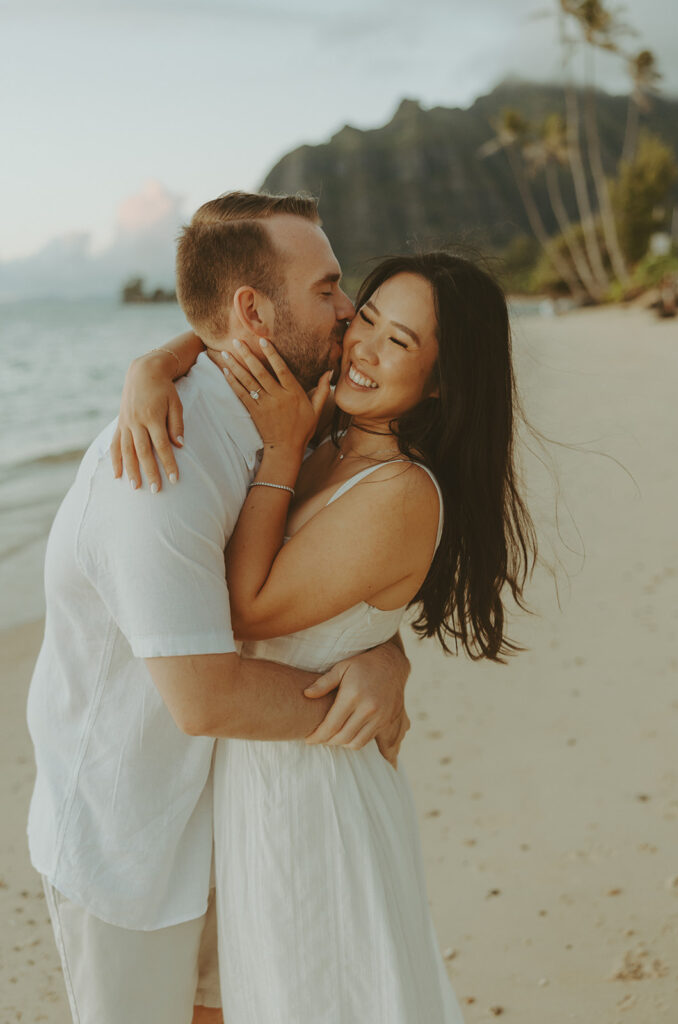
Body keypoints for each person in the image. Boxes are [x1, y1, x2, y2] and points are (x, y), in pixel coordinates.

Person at [114, 243, 539, 1021]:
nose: (364, 349)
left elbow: (246, 607)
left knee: (310, 994)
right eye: (366, 319)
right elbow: (223, 333)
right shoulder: (328, 433)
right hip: (251, 777)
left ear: (442, 380)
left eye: (400, 342)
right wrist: (150, 368)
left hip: (312, 800)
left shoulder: (400, 490)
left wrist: (278, 446)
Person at [26, 192, 413, 1024]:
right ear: (251, 311)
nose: (347, 314)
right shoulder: (156, 466)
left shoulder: (287, 424)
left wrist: (386, 652)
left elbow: (320, 581)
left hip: (230, 812)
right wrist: (357, 704)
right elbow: (205, 697)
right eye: (328, 289)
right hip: (128, 841)